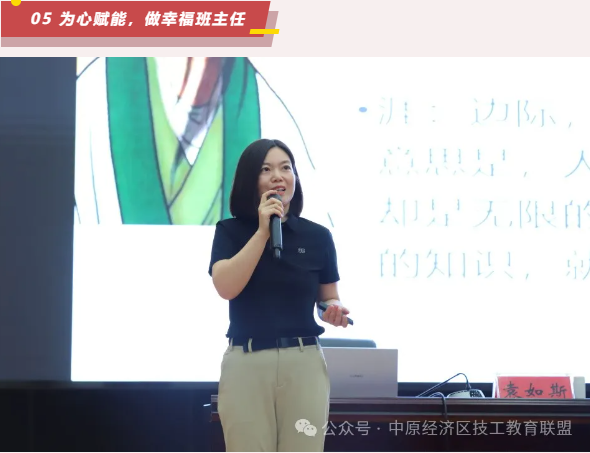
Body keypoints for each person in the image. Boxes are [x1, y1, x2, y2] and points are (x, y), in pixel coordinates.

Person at [208, 138, 351, 452]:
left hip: (304, 363)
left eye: (286, 168)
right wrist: (263, 231)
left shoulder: (318, 236)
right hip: (246, 363)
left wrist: (333, 309)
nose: (278, 176)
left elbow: (328, 297)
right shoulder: (230, 231)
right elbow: (226, 287)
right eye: (266, 169)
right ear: (250, 179)